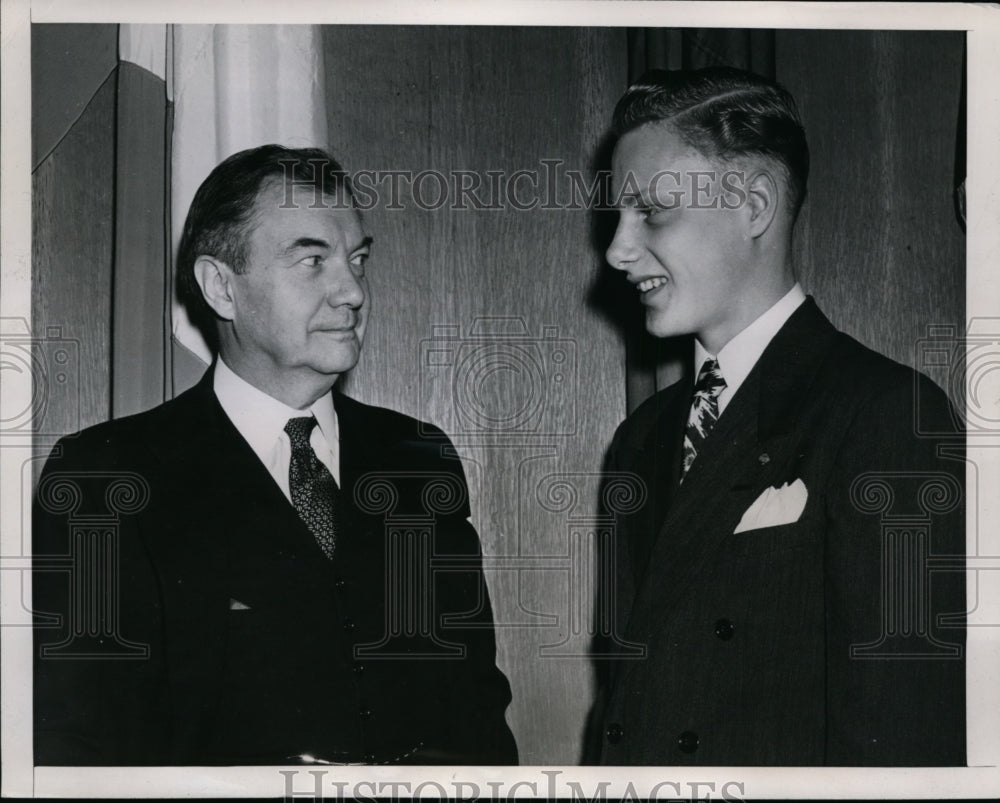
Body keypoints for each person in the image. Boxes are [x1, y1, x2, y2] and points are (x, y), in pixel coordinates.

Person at [33, 145, 518, 766]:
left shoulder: (417, 459)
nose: (351, 291)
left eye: (357, 260)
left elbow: (478, 710)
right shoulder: (106, 474)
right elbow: (77, 744)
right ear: (222, 288)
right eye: (312, 260)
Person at [589, 67, 965, 766]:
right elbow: (623, 701)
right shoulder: (639, 439)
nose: (617, 248)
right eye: (617, 214)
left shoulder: (889, 415)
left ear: (754, 205)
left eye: (652, 211)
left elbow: (905, 737)